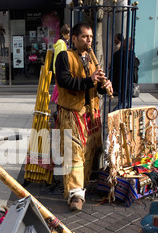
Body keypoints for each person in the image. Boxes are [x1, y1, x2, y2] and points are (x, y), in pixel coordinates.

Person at [54, 23, 113, 211]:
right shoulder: (65, 56)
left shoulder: (91, 59)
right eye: (85, 37)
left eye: (90, 37)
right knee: (73, 154)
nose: (89, 41)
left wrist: (104, 85)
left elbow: (95, 87)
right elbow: (65, 81)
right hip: (72, 114)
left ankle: (87, 182)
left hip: (90, 113)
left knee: (90, 151)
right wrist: (90, 79)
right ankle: (75, 194)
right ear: (74, 38)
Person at [50, 24, 70, 105]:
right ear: (63, 34)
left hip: (59, 71)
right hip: (61, 71)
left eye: (69, 33)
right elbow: (61, 58)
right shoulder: (62, 43)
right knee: (60, 91)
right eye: (67, 33)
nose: (69, 35)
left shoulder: (64, 43)